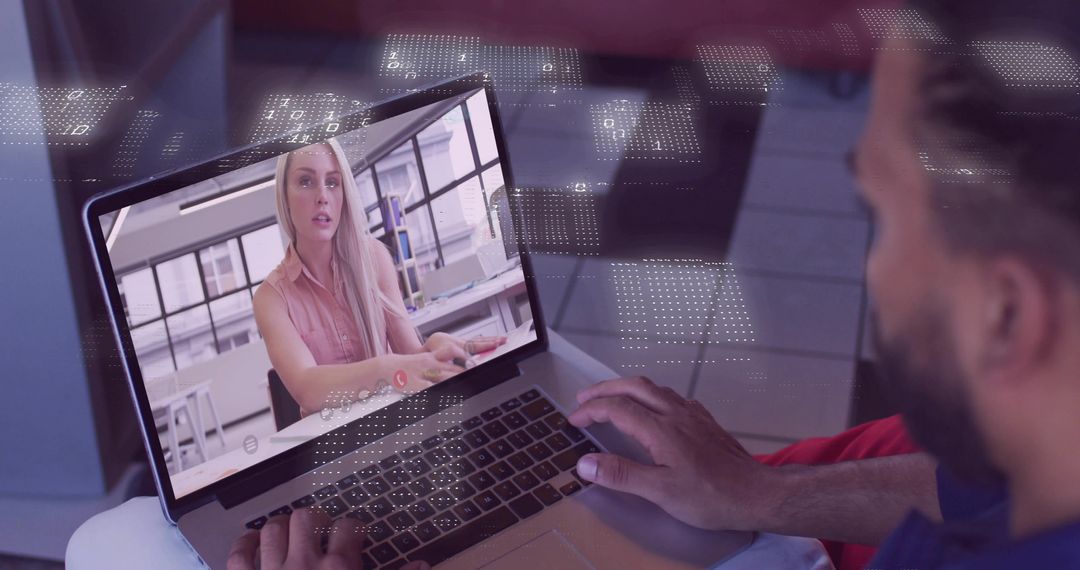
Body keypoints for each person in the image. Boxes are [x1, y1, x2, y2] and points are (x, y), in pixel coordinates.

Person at [230, 0, 1080, 567]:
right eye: (305, 182)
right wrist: (761, 491)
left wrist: (410, 360)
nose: (870, 270)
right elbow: (975, 493)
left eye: (885, 218)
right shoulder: (1040, 459)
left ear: (1009, 315)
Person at [253, 138, 504, 416]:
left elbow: (410, 355)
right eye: (305, 181)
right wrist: (387, 368)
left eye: (333, 182)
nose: (323, 196)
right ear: (284, 197)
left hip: (393, 419)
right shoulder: (271, 298)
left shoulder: (374, 256)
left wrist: (432, 346)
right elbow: (308, 390)